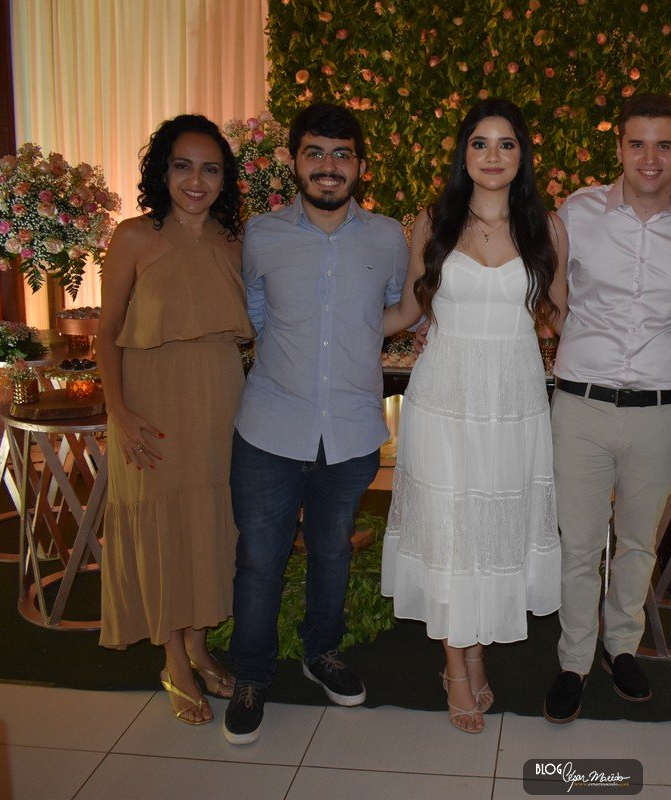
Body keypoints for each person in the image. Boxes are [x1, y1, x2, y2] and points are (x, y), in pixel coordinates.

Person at [222, 103, 408, 745]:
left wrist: (357, 339)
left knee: (331, 551)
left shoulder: (387, 237)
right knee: (260, 560)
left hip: (350, 431)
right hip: (270, 428)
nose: (329, 166)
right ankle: (251, 676)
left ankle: (321, 652)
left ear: (360, 165)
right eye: (316, 153)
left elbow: (396, 309)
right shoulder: (262, 234)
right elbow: (255, 313)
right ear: (295, 161)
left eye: (342, 154)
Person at [381, 98, 567, 734]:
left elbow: (559, 315)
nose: (493, 155)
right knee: (451, 527)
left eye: (506, 143)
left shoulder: (546, 227)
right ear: (464, 154)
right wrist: (338, 333)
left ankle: (478, 650)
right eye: (480, 143)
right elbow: (410, 310)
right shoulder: (433, 221)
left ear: (522, 155)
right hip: (444, 397)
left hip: (514, 399)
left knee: (496, 529)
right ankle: (456, 666)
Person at [544, 93, 671, 723]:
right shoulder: (578, 211)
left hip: (659, 412)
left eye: (663, 144)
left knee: (638, 542)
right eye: (637, 143)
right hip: (582, 407)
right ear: (618, 148)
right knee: (578, 544)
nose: (650, 157)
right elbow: (551, 294)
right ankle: (573, 659)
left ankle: (620, 647)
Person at [98, 114, 254, 725]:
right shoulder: (133, 237)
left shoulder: (232, 241)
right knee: (162, 525)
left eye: (210, 169)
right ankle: (174, 660)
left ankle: (199, 646)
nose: (196, 180)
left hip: (219, 396)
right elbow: (106, 333)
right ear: (162, 172)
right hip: (152, 402)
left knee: (208, 522)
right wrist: (118, 411)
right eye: (183, 166)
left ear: (224, 179)